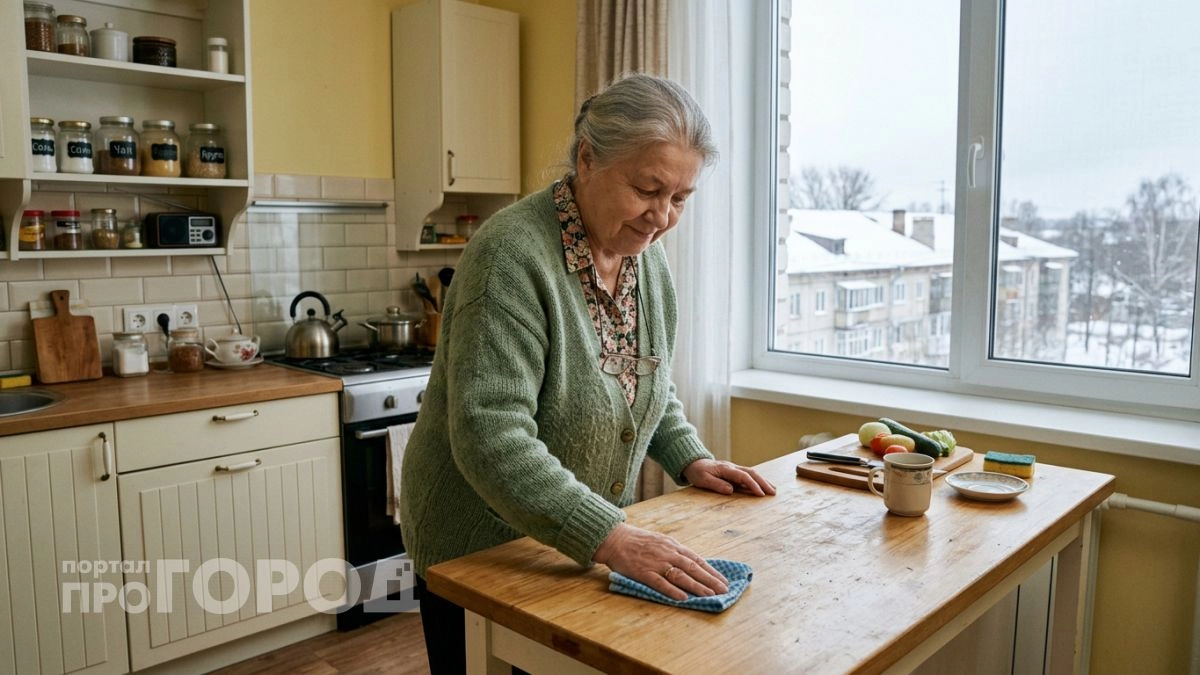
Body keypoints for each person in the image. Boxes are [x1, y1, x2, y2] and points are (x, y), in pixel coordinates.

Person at [399, 72, 776, 673]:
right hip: (480, 549)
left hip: (574, 540)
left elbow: (645, 382)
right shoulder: (510, 257)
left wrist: (689, 457)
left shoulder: (643, 259)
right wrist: (610, 535)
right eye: (648, 189)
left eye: (680, 198)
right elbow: (491, 433)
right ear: (586, 158)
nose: (661, 218)